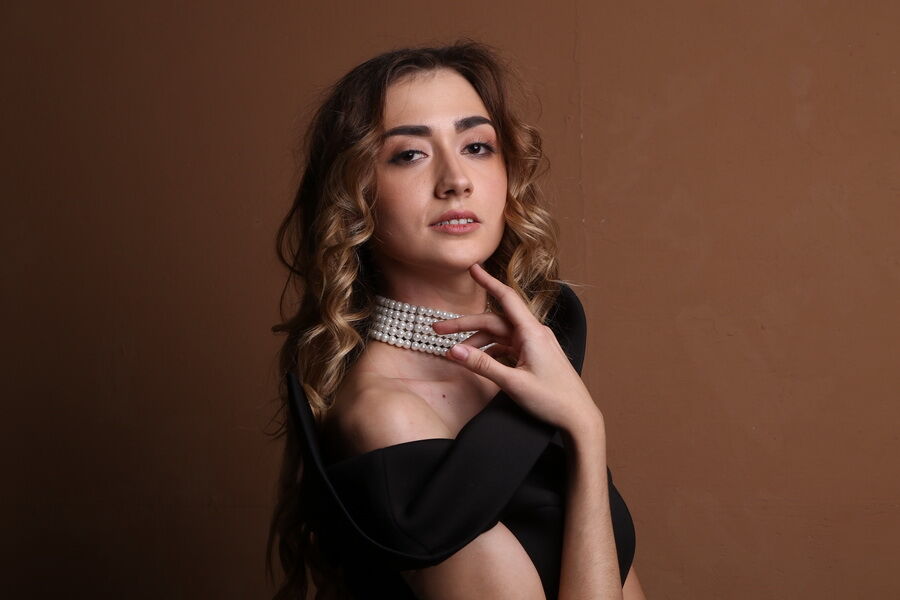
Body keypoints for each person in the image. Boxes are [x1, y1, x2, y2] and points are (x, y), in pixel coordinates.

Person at [266, 41, 645, 600]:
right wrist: (586, 432)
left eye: (476, 146)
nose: (456, 180)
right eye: (409, 155)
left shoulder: (535, 352)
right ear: (354, 195)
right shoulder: (387, 413)